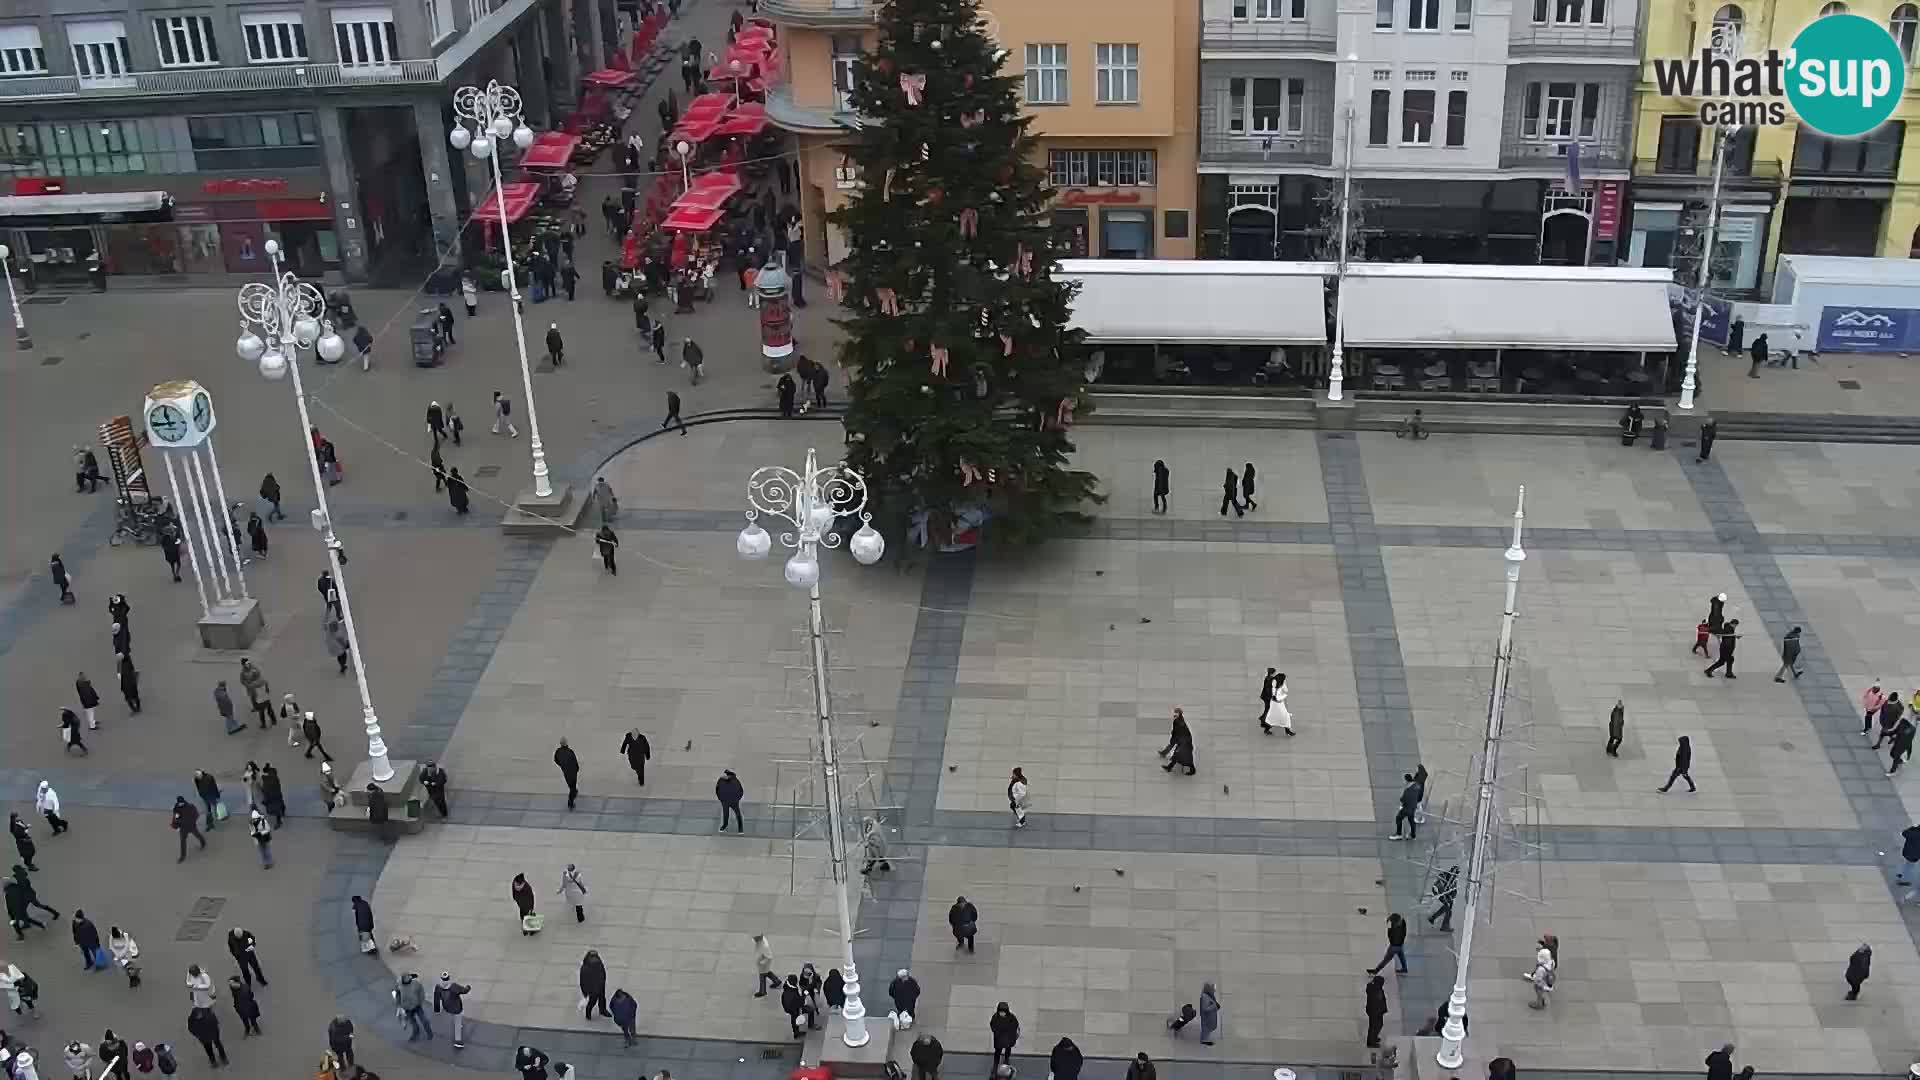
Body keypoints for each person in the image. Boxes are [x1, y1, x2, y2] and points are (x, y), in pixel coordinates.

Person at [434, 972, 472, 1048]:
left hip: (447, 1007)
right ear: (449, 978)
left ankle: (458, 1023)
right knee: (457, 1024)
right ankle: (458, 1041)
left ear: (441, 979)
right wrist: (468, 987)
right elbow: (464, 991)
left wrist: (437, 1009)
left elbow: (436, 999)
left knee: (454, 1016)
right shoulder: (454, 986)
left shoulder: (438, 987)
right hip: (457, 1008)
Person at [1158, 709, 1196, 775]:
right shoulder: (1180, 720)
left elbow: (1177, 732)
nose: (1174, 714)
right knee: (1178, 755)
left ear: (1179, 714)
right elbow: (1178, 731)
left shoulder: (1178, 722)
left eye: (1176, 713)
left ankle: (1192, 770)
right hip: (1184, 741)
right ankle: (1169, 767)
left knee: (1182, 755)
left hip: (1184, 742)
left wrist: (1174, 737)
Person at [171, 797, 206, 862]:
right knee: (182, 841)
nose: (180, 803)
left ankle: (203, 843)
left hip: (191, 826)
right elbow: (175, 818)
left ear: (184, 801)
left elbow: (196, 814)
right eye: (179, 802)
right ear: (178, 802)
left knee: (197, 835)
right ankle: (183, 856)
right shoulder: (176, 809)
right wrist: (174, 825)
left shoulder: (190, 807)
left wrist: (192, 821)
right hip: (183, 828)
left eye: (181, 802)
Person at [1427, 864, 1460, 931]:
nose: (1457, 874)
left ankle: (1433, 918)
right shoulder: (1447, 876)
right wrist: (1447, 897)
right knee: (1448, 909)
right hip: (1440, 891)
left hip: (1444, 892)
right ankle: (1444, 926)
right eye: (1456, 872)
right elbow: (1441, 886)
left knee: (1447, 907)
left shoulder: (1453, 878)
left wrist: (1451, 897)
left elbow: (1453, 888)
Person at [988, 1002, 1019, 1067]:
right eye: (1000, 1011)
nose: (1002, 1013)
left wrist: (1011, 1035)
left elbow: (1015, 1026)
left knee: (1008, 1050)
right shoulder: (995, 1017)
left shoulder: (1011, 1017)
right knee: (997, 1052)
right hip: (999, 1038)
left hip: (1008, 1038)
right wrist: (997, 1032)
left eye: (1003, 1011)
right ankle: (995, 1065)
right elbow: (992, 1025)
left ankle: (1006, 1061)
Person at [554, 738, 581, 809]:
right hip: (572, 772)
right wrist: (576, 769)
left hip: (566, 772)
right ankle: (570, 802)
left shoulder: (558, 752)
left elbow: (556, 760)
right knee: (573, 786)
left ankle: (574, 792)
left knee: (570, 785)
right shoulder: (570, 751)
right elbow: (575, 761)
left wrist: (562, 765)